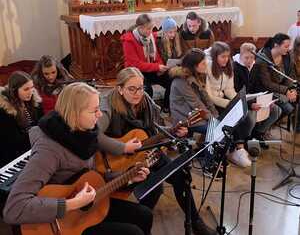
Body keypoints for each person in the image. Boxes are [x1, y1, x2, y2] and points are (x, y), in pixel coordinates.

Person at [3, 82, 152, 235]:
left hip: (83, 207)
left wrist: (128, 177)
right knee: (132, 232)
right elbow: (14, 208)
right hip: (60, 222)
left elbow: (92, 178)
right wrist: (72, 204)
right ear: (75, 114)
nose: (100, 115)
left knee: (144, 215)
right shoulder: (49, 151)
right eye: (94, 110)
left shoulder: (86, 135)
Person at [98, 67, 217, 235]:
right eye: (131, 89)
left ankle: (195, 222)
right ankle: (140, 225)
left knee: (181, 176)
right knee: (154, 188)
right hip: (117, 162)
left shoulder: (145, 100)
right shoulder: (108, 104)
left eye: (140, 88)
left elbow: (157, 130)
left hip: (148, 153)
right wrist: (123, 147)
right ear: (120, 89)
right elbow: (94, 135)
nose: (137, 93)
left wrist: (175, 130)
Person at [169, 48, 222, 178]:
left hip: (195, 114)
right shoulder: (181, 81)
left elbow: (205, 98)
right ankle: (208, 167)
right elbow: (196, 103)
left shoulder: (196, 75)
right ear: (194, 65)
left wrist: (215, 115)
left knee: (217, 125)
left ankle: (205, 154)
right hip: (184, 118)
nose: (206, 65)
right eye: (203, 63)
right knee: (214, 129)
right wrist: (214, 121)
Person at [206, 42, 253, 167]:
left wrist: (238, 101)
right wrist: (229, 104)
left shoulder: (228, 67)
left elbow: (229, 90)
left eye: (227, 56)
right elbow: (209, 96)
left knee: (245, 116)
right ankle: (225, 151)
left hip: (224, 100)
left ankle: (238, 149)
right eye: (223, 57)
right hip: (211, 103)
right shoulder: (208, 67)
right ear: (215, 56)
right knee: (230, 118)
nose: (226, 59)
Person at [233, 43, 281, 145]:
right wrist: (251, 104)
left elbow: (259, 87)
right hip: (241, 101)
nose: (249, 60)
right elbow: (237, 91)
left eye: (252, 57)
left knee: (276, 110)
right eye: (246, 57)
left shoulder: (255, 66)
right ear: (240, 55)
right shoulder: (235, 67)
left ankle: (257, 134)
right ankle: (244, 139)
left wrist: (267, 100)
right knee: (251, 117)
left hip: (255, 100)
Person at [122, 14, 171, 112]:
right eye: (148, 29)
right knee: (147, 89)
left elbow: (157, 56)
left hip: (151, 69)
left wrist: (160, 68)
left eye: (152, 28)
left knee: (172, 79)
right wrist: (157, 67)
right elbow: (135, 64)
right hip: (136, 72)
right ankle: (146, 112)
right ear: (140, 28)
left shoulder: (150, 37)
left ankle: (166, 107)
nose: (151, 32)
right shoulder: (129, 40)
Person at [0, 71, 43, 168]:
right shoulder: (5, 112)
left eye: (32, 88)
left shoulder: (35, 103)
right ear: (15, 91)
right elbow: (12, 142)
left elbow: (42, 124)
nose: (31, 92)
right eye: (26, 89)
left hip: (35, 147)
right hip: (15, 156)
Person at [249, 33, 296, 119]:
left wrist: (291, 89)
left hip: (279, 90)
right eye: (286, 46)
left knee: (294, 103)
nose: (288, 49)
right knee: (287, 108)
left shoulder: (287, 57)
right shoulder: (262, 59)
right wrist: (286, 91)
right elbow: (267, 83)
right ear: (276, 45)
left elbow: (289, 76)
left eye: (289, 46)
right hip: (264, 91)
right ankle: (263, 129)